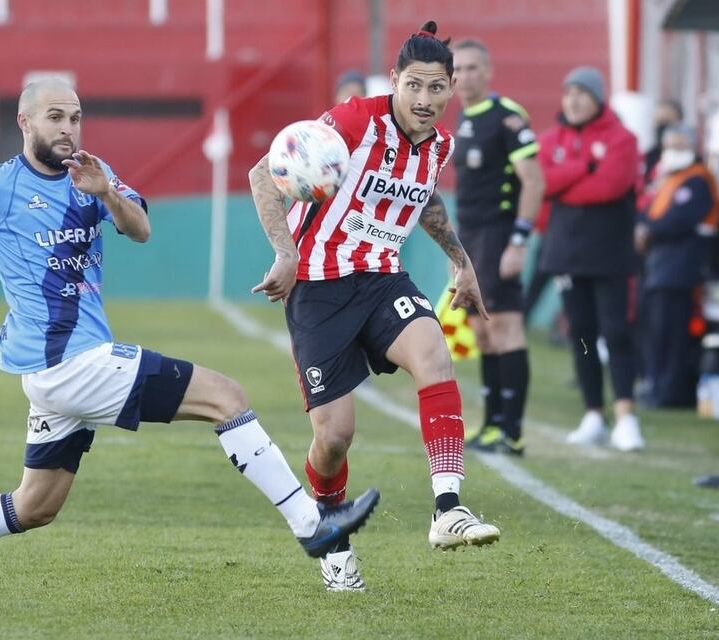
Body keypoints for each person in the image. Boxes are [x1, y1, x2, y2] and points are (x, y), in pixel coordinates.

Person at [0, 79, 380, 599]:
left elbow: (141, 229)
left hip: (60, 374)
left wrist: (106, 193)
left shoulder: (91, 174)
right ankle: (312, 526)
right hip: (70, 364)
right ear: (25, 122)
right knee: (226, 397)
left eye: (75, 117)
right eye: (54, 117)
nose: (67, 128)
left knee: (35, 505)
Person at [248, 20, 500, 593]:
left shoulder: (439, 145)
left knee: (434, 353)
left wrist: (461, 262)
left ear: (451, 87)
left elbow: (425, 199)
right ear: (394, 80)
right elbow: (263, 173)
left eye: (437, 87)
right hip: (318, 287)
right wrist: (285, 253)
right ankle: (332, 538)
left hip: (383, 278)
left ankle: (448, 509)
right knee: (334, 437)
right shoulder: (356, 120)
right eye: (414, 85)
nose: (425, 99)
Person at [536, 66, 645, 451]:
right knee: (581, 335)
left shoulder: (622, 139)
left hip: (609, 253)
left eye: (581, 93)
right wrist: (585, 167)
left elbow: (610, 186)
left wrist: (566, 184)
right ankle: (594, 413)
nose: (573, 100)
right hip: (566, 252)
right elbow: (543, 182)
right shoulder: (551, 139)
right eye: (568, 93)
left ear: (598, 98)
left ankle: (626, 416)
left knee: (616, 333)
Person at [451, 39, 545, 456]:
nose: (464, 77)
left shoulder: (507, 117)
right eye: (457, 70)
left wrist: (518, 242)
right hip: (470, 238)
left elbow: (534, 181)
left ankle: (513, 431)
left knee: (505, 327)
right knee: (482, 332)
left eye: (472, 68)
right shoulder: (462, 118)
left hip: (499, 234)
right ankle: (491, 424)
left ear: (488, 71)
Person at [636, 124, 719, 407]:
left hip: (680, 268)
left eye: (679, 144)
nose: (673, 150)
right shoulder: (670, 178)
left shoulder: (697, 180)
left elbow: (678, 221)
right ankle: (655, 384)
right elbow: (648, 211)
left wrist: (648, 229)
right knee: (656, 331)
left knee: (671, 333)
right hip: (661, 266)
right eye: (669, 145)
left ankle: (669, 391)